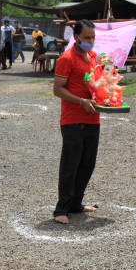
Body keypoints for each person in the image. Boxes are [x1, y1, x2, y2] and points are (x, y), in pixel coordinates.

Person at [52, 19, 100, 225]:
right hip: (73, 119)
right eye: (87, 37)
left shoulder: (94, 57)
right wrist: (81, 101)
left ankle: (76, 203)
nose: (90, 41)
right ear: (76, 37)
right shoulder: (66, 58)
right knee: (71, 164)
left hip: (93, 118)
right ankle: (61, 209)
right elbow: (58, 89)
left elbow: (100, 84)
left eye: (93, 37)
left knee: (87, 163)